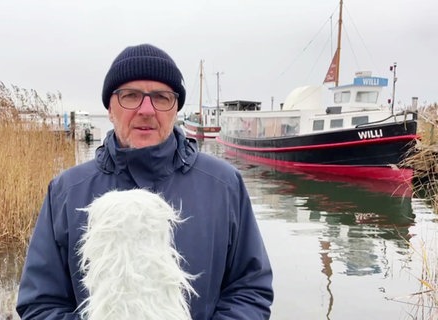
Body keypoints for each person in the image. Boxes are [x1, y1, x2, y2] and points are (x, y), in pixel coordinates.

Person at [16, 43, 274, 319]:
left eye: (161, 98)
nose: (147, 110)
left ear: (175, 108)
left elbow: (250, 288)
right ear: (109, 107)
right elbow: (40, 303)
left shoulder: (224, 185)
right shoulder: (67, 192)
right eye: (131, 95)